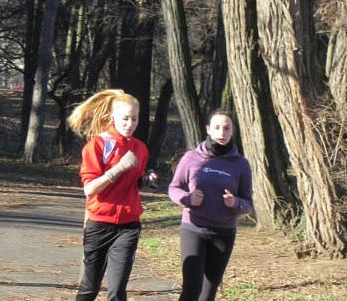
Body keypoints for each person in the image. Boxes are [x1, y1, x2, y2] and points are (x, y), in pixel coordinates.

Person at [68, 89, 157, 301]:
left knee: (117, 290)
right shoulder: (98, 144)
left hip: (128, 225)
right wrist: (118, 168)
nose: (130, 124)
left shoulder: (140, 148)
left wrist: (146, 180)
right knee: (90, 288)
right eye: (125, 118)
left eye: (134, 119)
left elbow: (135, 182)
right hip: (99, 223)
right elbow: (89, 189)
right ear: (112, 117)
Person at [168, 109, 253, 301]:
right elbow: (173, 188)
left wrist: (235, 202)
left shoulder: (241, 164)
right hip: (194, 228)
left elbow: (248, 203)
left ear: (233, 131)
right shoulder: (191, 158)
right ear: (208, 129)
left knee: (208, 294)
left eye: (227, 128)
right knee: (191, 290)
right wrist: (188, 199)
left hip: (224, 233)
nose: (222, 133)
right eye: (217, 127)